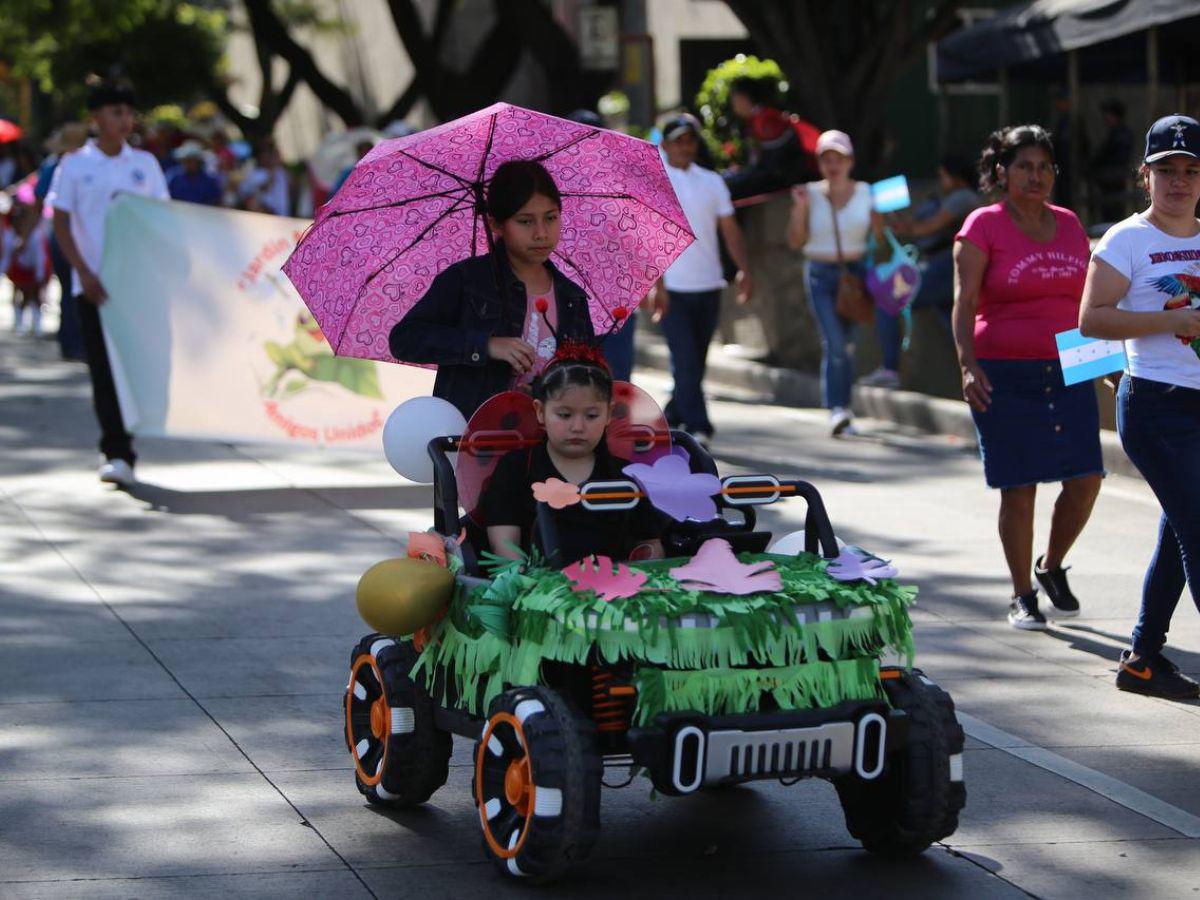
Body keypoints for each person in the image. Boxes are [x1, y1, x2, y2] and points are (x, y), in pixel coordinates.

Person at [954, 124, 1102, 630]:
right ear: (1002, 173)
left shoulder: (1069, 224)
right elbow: (965, 303)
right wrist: (967, 364)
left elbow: (1085, 301)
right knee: (1019, 488)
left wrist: (1103, 365)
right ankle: (1022, 594)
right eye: (1024, 166)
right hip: (1003, 370)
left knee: (1086, 478)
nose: (1035, 176)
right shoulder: (983, 225)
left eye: (1044, 167)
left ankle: (1052, 566)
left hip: (1070, 364)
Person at [1079, 114, 1200, 699]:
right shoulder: (1126, 239)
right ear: (1145, 176)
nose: (1178, 181)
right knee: (1197, 528)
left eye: (1190, 170)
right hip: (1156, 407)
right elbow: (1090, 319)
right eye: (1166, 170)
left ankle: (1143, 658)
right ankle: (1144, 655)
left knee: (1181, 529)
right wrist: (1167, 320)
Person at [389, 160, 594, 420]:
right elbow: (405, 339)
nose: (541, 233)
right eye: (525, 221)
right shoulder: (466, 281)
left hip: (548, 447)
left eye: (551, 218)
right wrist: (485, 345)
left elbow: (588, 373)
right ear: (496, 224)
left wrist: (549, 390)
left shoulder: (571, 297)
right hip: (474, 440)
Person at [47, 79, 169, 486]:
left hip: (136, 287)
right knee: (103, 369)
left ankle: (129, 437)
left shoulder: (145, 165)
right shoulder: (75, 165)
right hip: (95, 287)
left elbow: (160, 218)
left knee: (133, 368)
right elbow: (61, 221)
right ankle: (116, 450)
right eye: (115, 112)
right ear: (95, 118)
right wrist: (82, 271)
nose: (124, 120)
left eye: (128, 112)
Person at [482, 346, 663, 566]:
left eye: (592, 415)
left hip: (616, 593)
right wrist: (530, 588)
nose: (578, 427)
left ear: (609, 413)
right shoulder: (517, 468)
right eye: (565, 415)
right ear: (540, 411)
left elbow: (651, 545)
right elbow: (505, 550)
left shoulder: (625, 476)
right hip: (538, 592)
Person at [653, 113, 753, 449]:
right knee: (684, 359)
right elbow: (648, 238)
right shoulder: (656, 180)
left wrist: (743, 269)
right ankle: (699, 426)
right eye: (678, 140)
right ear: (664, 144)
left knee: (695, 361)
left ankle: (670, 416)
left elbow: (730, 229)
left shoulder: (712, 181)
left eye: (690, 140)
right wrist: (657, 285)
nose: (685, 146)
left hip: (709, 284)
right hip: (674, 288)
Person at [787, 129, 885, 435]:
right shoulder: (809, 194)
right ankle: (837, 408)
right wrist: (800, 209)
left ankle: (843, 407)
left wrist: (882, 219)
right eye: (826, 159)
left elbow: (881, 239)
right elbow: (795, 241)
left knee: (849, 346)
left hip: (856, 275)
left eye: (838, 158)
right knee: (836, 343)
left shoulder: (868, 193)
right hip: (819, 273)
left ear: (850, 161)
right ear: (819, 163)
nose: (833, 165)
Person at [886, 153, 982, 341]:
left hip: (950, 267)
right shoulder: (957, 197)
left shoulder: (963, 197)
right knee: (958, 330)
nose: (940, 181)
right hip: (951, 268)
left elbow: (931, 225)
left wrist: (906, 228)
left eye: (943, 175)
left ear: (955, 177)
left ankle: (889, 368)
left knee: (893, 299)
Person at [34, 122, 89, 360]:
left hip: (78, 235)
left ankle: (74, 340)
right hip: (63, 234)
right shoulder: (60, 167)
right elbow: (42, 202)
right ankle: (71, 341)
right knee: (70, 288)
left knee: (75, 289)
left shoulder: (83, 165)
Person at [724, 77, 819, 200]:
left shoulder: (766, 119)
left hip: (788, 177)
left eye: (734, 100)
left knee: (730, 187)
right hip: (776, 174)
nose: (734, 106)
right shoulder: (755, 120)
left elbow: (773, 164)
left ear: (744, 98)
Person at [5, 190, 52, 336]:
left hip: (35, 269)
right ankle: (19, 323)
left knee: (34, 294)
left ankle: (37, 324)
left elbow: (41, 258)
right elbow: (6, 256)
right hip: (18, 268)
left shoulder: (37, 236)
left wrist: (40, 276)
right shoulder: (10, 234)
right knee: (19, 291)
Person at [1090, 98, 1135, 224]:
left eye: (1109, 114)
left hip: (1115, 180)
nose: (1106, 118)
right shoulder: (1114, 134)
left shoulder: (1123, 134)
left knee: (1114, 214)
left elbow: (1117, 158)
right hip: (1108, 181)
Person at [238, 139, 291, 215]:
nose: (268, 157)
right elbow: (247, 192)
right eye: (265, 155)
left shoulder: (281, 172)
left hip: (281, 213)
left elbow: (292, 186)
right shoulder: (255, 173)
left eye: (270, 155)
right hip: (265, 212)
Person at [166, 140, 222, 206]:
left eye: (190, 160)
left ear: (199, 161)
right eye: (185, 160)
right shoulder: (173, 176)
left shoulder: (209, 181)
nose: (187, 163)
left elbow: (215, 202)